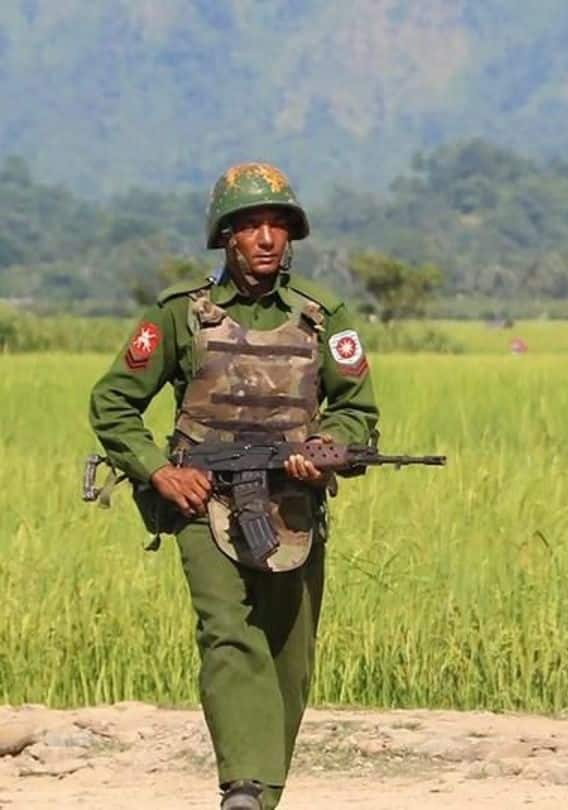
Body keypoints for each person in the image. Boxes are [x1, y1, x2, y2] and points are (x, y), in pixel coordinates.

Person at [89, 162, 379, 810]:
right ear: (226, 237)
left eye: (278, 225)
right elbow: (113, 402)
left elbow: (358, 410)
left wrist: (322, 451)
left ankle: (260, 793)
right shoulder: (178, 317)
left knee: (290, 657)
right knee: (228, 631)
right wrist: (160, 471)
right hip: (201, 502)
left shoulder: (323, 317)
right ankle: (243, 789)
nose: (267, 239)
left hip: (292, 503)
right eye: (251, 226)